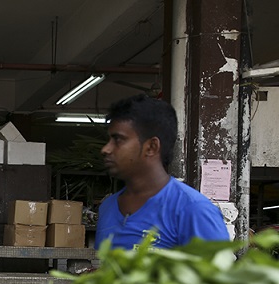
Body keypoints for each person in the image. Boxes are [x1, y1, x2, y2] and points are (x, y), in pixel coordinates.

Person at [94, 94, 229, 249]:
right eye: (109, 140)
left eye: (118, 140)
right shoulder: (108, 208)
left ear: (151, 147)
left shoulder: (194, 211)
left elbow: (217, 273)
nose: (106, 149)